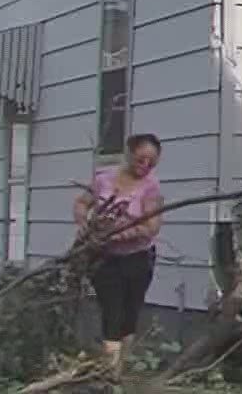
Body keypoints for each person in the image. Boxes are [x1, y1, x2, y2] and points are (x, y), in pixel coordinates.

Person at [72, 133, 165, 372]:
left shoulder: (151, 188)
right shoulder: (104, 178)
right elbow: (82, 202)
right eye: (141, 159)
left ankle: (120, 370)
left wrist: (121, 234)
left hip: (138, 258)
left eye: (151, 162)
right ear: (129, 152)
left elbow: (151, 227)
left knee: (129, 314)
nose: (145, 166)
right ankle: (110, 373)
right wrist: (82, 222)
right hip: (104, 257)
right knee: (111, 311)